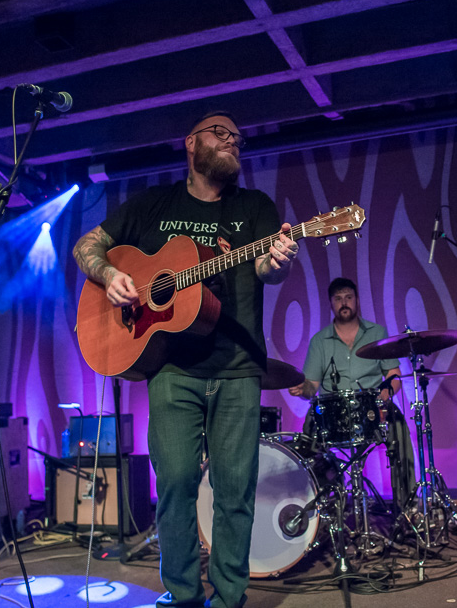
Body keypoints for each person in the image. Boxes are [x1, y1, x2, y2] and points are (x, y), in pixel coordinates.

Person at [73, 111, 298, 608]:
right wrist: (109, 276)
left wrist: (277, 261)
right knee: (174, 484)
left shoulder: (254, 207)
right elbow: (87, 245)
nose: (233, 141)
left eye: (238, 137)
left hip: (237, 366)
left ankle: (228, 599)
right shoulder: (155, 204)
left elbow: (265, 268)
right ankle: (181, 595)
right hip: (171, 369)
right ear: (190, 143)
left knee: (234, 491)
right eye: (221, 133)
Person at [289, 277, 416, 514]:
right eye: (338, 299)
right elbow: (312, 386)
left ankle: (407, 509)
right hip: (332, 410)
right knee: (307, 436)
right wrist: (301, 389)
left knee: (398, 427)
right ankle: (322, 512)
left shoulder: (377, 332)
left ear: (357, 301)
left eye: (348, 297)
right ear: (331, 303)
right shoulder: (319, 341)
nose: (344, 303)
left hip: (372, 406)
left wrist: (383, 398)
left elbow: (393, 374)